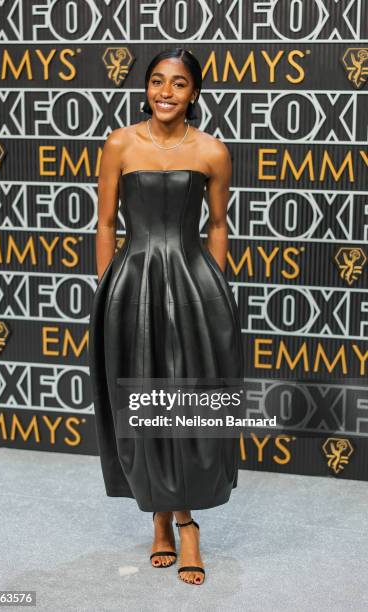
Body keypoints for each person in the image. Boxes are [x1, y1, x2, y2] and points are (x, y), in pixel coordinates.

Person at [88, 48, 244, 586]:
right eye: (157, 82)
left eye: (178, 84)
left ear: (194, 93)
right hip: (132, 284)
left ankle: (188, 522)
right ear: (147, 87)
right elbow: (105, 224)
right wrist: (108, 287)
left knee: (192, 398)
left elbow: (218, 225)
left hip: (194, 283)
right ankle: (160, 517)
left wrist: (213, 288)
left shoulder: (213, 152)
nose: (165, 93)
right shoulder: (119, 144)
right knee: (143, 396)